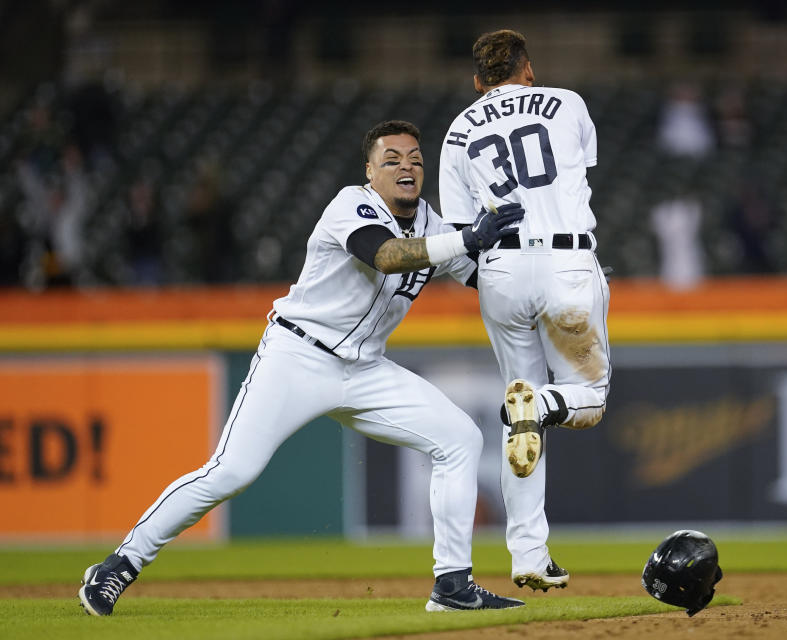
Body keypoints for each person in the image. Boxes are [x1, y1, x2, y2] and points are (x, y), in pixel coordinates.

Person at [78, 120, 526, 616]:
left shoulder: (432, 225)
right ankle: (119, 564)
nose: (407, 167)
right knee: (231, 472)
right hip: (298, 357)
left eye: (416, 159)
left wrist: (553, 276)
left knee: (460, 439)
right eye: (392, 158)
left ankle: (452, 586)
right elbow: (385, 255)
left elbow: (484, 277)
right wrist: (467, 239)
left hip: (367, 369)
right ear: (370, 171)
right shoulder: (350, 205)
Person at [438, 30, 611, 592]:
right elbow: (577, 175)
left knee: (520, 416)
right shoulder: (568, 103)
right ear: (527, 69)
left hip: (501, 271)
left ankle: (528, 556)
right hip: (566, 261)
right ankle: (540, 404)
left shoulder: (458, 130)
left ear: (476, 81)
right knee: (586, 398)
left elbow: (458, 236)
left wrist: (489, 284)